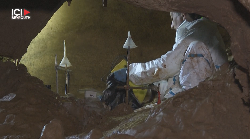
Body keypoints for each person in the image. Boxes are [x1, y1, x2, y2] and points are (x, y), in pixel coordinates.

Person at [101, 12, 228, 109]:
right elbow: (177, 73)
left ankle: (194, 105)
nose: (171, 26)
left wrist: (130, 72)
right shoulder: (197, 34)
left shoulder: (199, 31)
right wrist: (153, 86)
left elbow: (166, 65)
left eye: (172, 19)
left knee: (195, 47)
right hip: (209, 86)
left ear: (183, 15)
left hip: (210, 97)